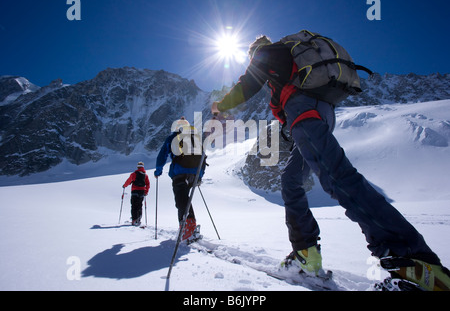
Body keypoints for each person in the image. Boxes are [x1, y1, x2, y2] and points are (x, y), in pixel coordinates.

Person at [211, 35, 450, 290]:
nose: (251, 61)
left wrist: (221, 105)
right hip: (321, 112)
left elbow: (247, 84)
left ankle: (412, 261)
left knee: (339, 178)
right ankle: (306, 255)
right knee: (291, 181)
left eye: (251, 57)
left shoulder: (267, 52)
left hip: (306, 113)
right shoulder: (290, 58)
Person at [154, 118, 206, 242]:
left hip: (179, 173)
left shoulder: (173, 137)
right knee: (184, 199)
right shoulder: (195, 137)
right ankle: (186, 226)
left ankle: (188, 225)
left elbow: (162, 155)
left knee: (180, 199)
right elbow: (203, 157)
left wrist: (158, 171)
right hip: (194, 173)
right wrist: (199, 176)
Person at [122, 161, 150, 226]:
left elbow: (129, 181)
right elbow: (148, 184)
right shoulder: (145, 175)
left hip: (135, 191)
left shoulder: (134, 174)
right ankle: (138, 219)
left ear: (137, 167)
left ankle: (134, 219)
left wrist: (124, 186)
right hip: (142, 192)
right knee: (140, 205)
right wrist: (146, 192)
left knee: (134, 205)